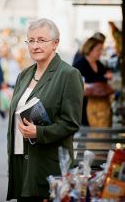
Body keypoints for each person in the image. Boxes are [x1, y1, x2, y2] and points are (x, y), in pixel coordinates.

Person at [6, 19, 83, 201]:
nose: (35, 45)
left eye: (41, 40)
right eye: (31, 40)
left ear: (55, 43)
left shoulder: (68, 75)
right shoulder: (24, 75)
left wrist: (38, 132)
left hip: (48, 165)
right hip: (21, 163)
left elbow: (71, 123)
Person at [73, 37, 112, 127]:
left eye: (101, 50)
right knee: (86, 134)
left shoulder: (100, 65)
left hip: (101, 107)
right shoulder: (79, 65)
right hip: (83, 107)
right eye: (98, 50)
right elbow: (75, 86)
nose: (100, 53)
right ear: (89, 49)